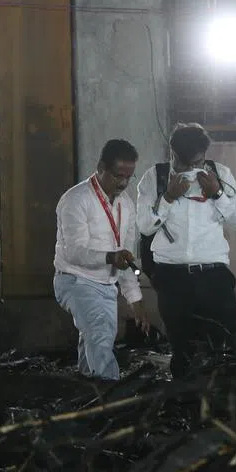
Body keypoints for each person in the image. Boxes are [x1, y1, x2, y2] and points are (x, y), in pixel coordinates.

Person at [136, 123, 236, 377]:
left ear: (205, 155)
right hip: (172, 277)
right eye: (184, 163)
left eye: (196, 162)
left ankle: (218, 403)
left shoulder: (221, 175)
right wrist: (168, 198)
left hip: (213, 275)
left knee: (222, 344)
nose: (190, 170)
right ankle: (183, 404)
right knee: (182, 347)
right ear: (172, 154)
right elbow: (144, 226)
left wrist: (217, 193)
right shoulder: (155, 177)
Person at [54, 139, 151, 380]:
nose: (124, 183)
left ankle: (88, 392)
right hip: (76, 281)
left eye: (129, 177)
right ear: (100, 167)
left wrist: (136, 303)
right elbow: (74, 252)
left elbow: (126, 260)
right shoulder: (75, 200)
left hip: (107, 286)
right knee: (99, 334)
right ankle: (112, 395)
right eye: (118, 176)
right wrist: (110, 257)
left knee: (96, 340)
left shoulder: (126, 205)